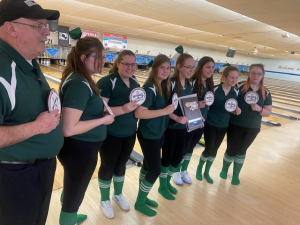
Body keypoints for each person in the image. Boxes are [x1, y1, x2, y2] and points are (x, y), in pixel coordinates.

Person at [0, 1, 63, 224]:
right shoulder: (2, 71)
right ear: (11, 28)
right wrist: (38, 127)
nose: (47, 32)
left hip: (38, 170)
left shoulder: (28, 62)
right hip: (14, 178)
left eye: (45, 25)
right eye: (38, 26)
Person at [58, 36, 114, 225]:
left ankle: (69, 214)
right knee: (75, 195)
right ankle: (68, 217)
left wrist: (100, 111)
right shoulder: (78, 84)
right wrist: (103, 119)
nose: (104, 61)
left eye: (105, 56)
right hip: (80, 150)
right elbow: (68, 128)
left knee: (73, 187)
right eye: (100, 56)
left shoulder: (81, 79)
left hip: (80, 149)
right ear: (84, 58)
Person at [96, 50, 139, 218]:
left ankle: (118, 194)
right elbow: (100, 110)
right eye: (126, 64)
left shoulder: (135, 83)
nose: (130, 67)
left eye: (133, 64)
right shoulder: (107, 82)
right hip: (110, 134)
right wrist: (123, 109)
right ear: (118, 64)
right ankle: (104, 199)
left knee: (121, 164)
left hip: (130, 132)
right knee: (108, 166)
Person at [134, 54, 175, 217]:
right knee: (155, 170)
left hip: (158, 132)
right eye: (162, 67)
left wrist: (176, 116)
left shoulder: (163, 85)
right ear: (155, 69)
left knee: (147, 166)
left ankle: (142, 197)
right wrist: (164, 111)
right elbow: (139, 113)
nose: (165, 71)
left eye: (168, 68)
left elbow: (166, 111)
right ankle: (139, 202)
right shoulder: (149, 88)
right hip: (148, 134)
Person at [220, 64, 272, 185]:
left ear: (263, 75)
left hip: (253, 127)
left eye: (259, 73)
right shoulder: (239, 86)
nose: (255, 76)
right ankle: (224, 169)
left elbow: (268, 113)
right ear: (249, 73)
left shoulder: (266, 92)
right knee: (231, 150)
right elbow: (229, 101)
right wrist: (233, 108)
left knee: (242, 151)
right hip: (235, 124)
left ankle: (236, 175)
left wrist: (259, 109)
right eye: (253, 73)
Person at [196, 66, 241, 184]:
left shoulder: (236, 92)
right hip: (211, 123)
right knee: (209, 149)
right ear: (224, 77)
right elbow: (207, 106)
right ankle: (199, 168)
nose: (234, 80)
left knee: (215, 150)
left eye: (236, 78)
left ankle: (207, 172)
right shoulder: (214, 89)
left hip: (224, 125)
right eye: (232, 77)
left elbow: (234, 108)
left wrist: (236, 110)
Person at [173, 56, 215, 185]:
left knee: (191, 147)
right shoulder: (191, 81)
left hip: (201, 120)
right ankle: (176, 171)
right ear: (200, 67)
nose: (210, 70)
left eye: (213, 68)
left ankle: (184, 170)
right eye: (208, 67)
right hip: (189, 120)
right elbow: (184, 101)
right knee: (183, 148)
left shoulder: (209, 83)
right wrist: (198, 104)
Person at [159, 53, 192, 199]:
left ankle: (166, 181)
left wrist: (196, 116)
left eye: (193, 67)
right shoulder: (170, 82)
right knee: (167, 158)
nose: (191, 70)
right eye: (188, 67)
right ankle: (162, 186)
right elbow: (164, 107)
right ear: (179, 67)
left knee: (178, 157)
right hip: (170, 128)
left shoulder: (189, 84)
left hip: (183, 128)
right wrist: (176, 118)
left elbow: (189, 105)